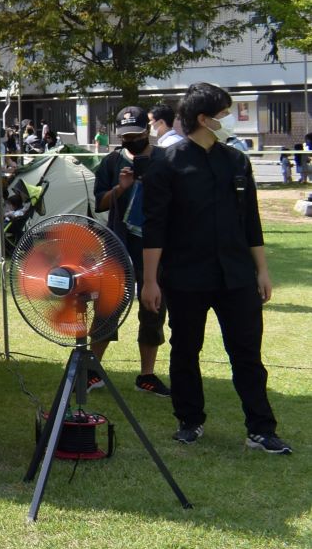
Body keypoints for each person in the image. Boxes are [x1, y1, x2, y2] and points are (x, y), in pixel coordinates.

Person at [139, 83, 291, 454]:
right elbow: (154, 227)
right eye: (224, 113)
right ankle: (189, 421)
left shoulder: (236, 160)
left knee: (247, 352)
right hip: (186, 275)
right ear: (204, 119)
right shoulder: (166, 163)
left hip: (236, 275)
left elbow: (251, 220)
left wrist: (262, 271)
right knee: (185, 349)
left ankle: (261, 429)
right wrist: (150, 281)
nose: (229, 119)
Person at [89, 106, 168, 396]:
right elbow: (100, 203)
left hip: (155, 243)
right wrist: (121, 188)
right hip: (118, 242)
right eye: (125, 136)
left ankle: (147, 375)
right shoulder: (112, 162)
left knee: (153, 307)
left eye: (136, 135)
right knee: (107, 305)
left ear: (147, 131)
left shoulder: (165, 159)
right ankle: (92, 371)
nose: (131, 140)